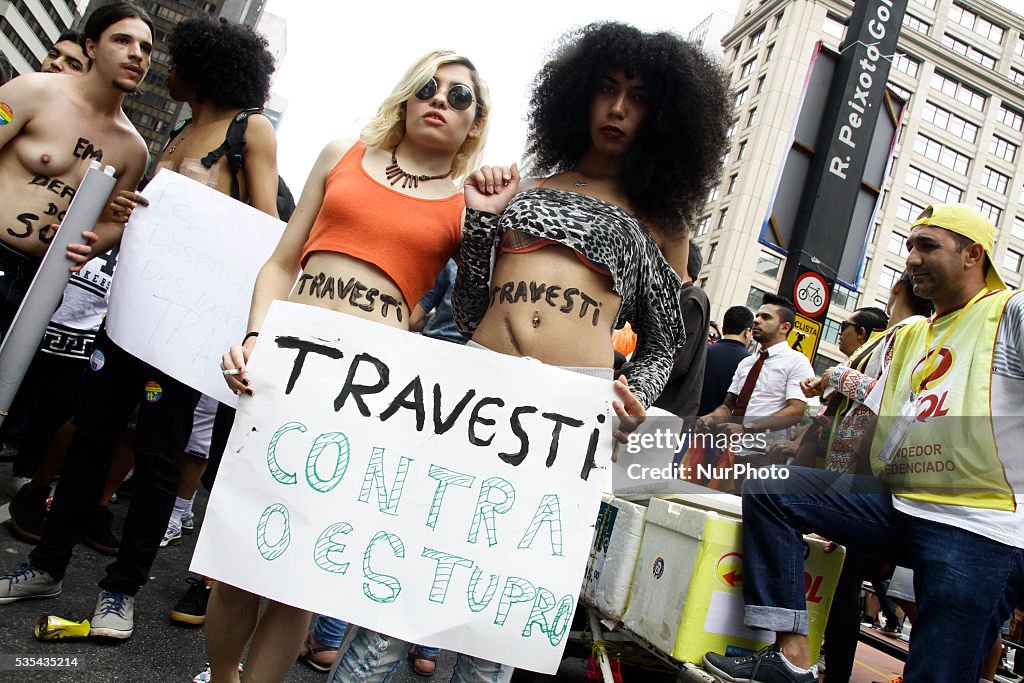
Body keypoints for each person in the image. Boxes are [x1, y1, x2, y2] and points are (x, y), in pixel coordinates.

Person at [0, 10, 280, 643]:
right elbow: (146, 219)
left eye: (170, 57)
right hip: (131, 318)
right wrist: (122, 217)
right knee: (92, 438)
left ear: (204, 69)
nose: (161, 66)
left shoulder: (248, 132)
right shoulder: (179, 135)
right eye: (133, 45)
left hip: (186, 333)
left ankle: (119, 593)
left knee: (156, 459)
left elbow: (265, 228)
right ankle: (46, 564)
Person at [216, 50, 490, 683]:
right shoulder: (342, 153)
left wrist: (483, 224)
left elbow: (471, 313)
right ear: (407, 92)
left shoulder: (462, 205)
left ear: (475, 123)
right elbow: (282, 261)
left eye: (459, 98)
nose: (439, 102)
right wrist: (257, 336)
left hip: (367, 401)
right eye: (429, 87)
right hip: (284, 374)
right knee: (233, 564)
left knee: (297, 577)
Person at [702, 203, 1024, 683]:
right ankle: (793, 659)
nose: (911, 258)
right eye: (910, 246)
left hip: (976, 530)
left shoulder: (1010, 313)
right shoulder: (915, 333)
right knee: (770, 486)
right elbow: (886, 402)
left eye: (927, 246)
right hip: (897, 505)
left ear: (973, 254)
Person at [0, 2, 152, 340]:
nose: (136, 54)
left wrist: (93, 244)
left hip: (39, 281)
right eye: (122, 41)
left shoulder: (133, 149)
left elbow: (114, 221)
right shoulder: (32, 91)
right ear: (91, 47)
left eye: (145, 48)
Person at [696, 294, 813, 485]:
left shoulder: (797, 362)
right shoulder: (746, 362)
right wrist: (711, 418)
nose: (756, 320)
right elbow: (727, 406)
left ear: (785, 327)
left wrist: (746, 429)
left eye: (766, 317)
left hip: (763, 456)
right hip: (726, 452)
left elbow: (796, 411)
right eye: (757, 315)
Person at [652, 243, 710, 418]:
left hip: (664, 411)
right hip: (658, 408)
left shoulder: (691, 297)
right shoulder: (677, 297)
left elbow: (677, 362)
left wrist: (625, 372)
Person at [697, 305, 752, 416]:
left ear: (723, 329)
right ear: (747, 332)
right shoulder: (751, 362)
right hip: (721, 429)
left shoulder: (702, 352)